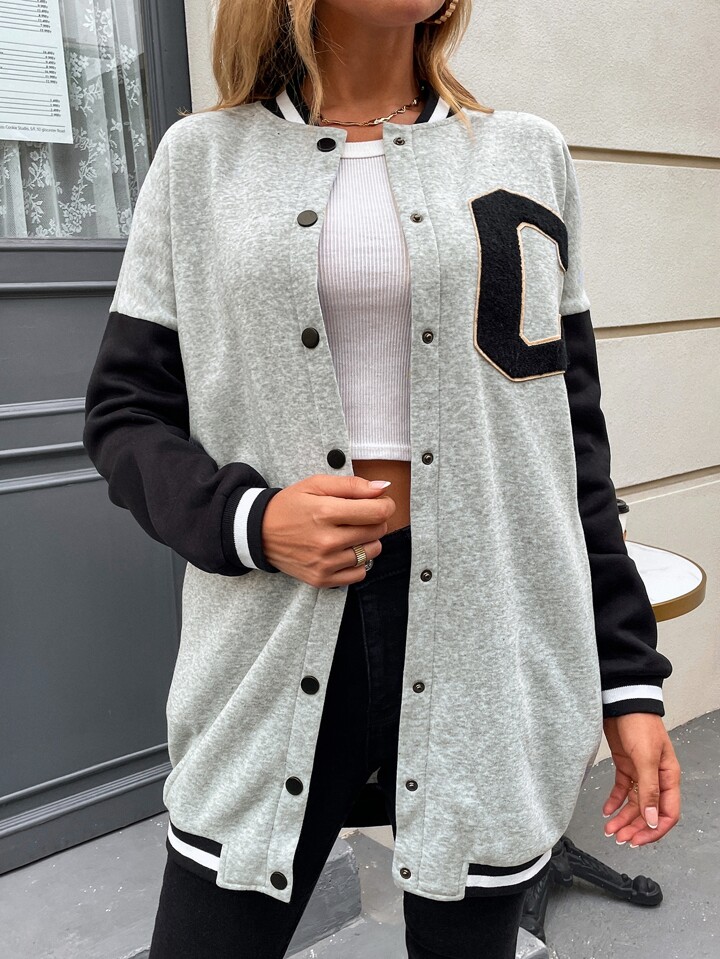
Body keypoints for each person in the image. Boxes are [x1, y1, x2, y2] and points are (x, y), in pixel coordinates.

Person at [82, 1, 682, 956]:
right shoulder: (201, 161)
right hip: (272, 626)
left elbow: (569, 442)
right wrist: (249, 519)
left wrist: (629, 680)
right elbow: (124, 411)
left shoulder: (525, 154)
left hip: (488, 636)